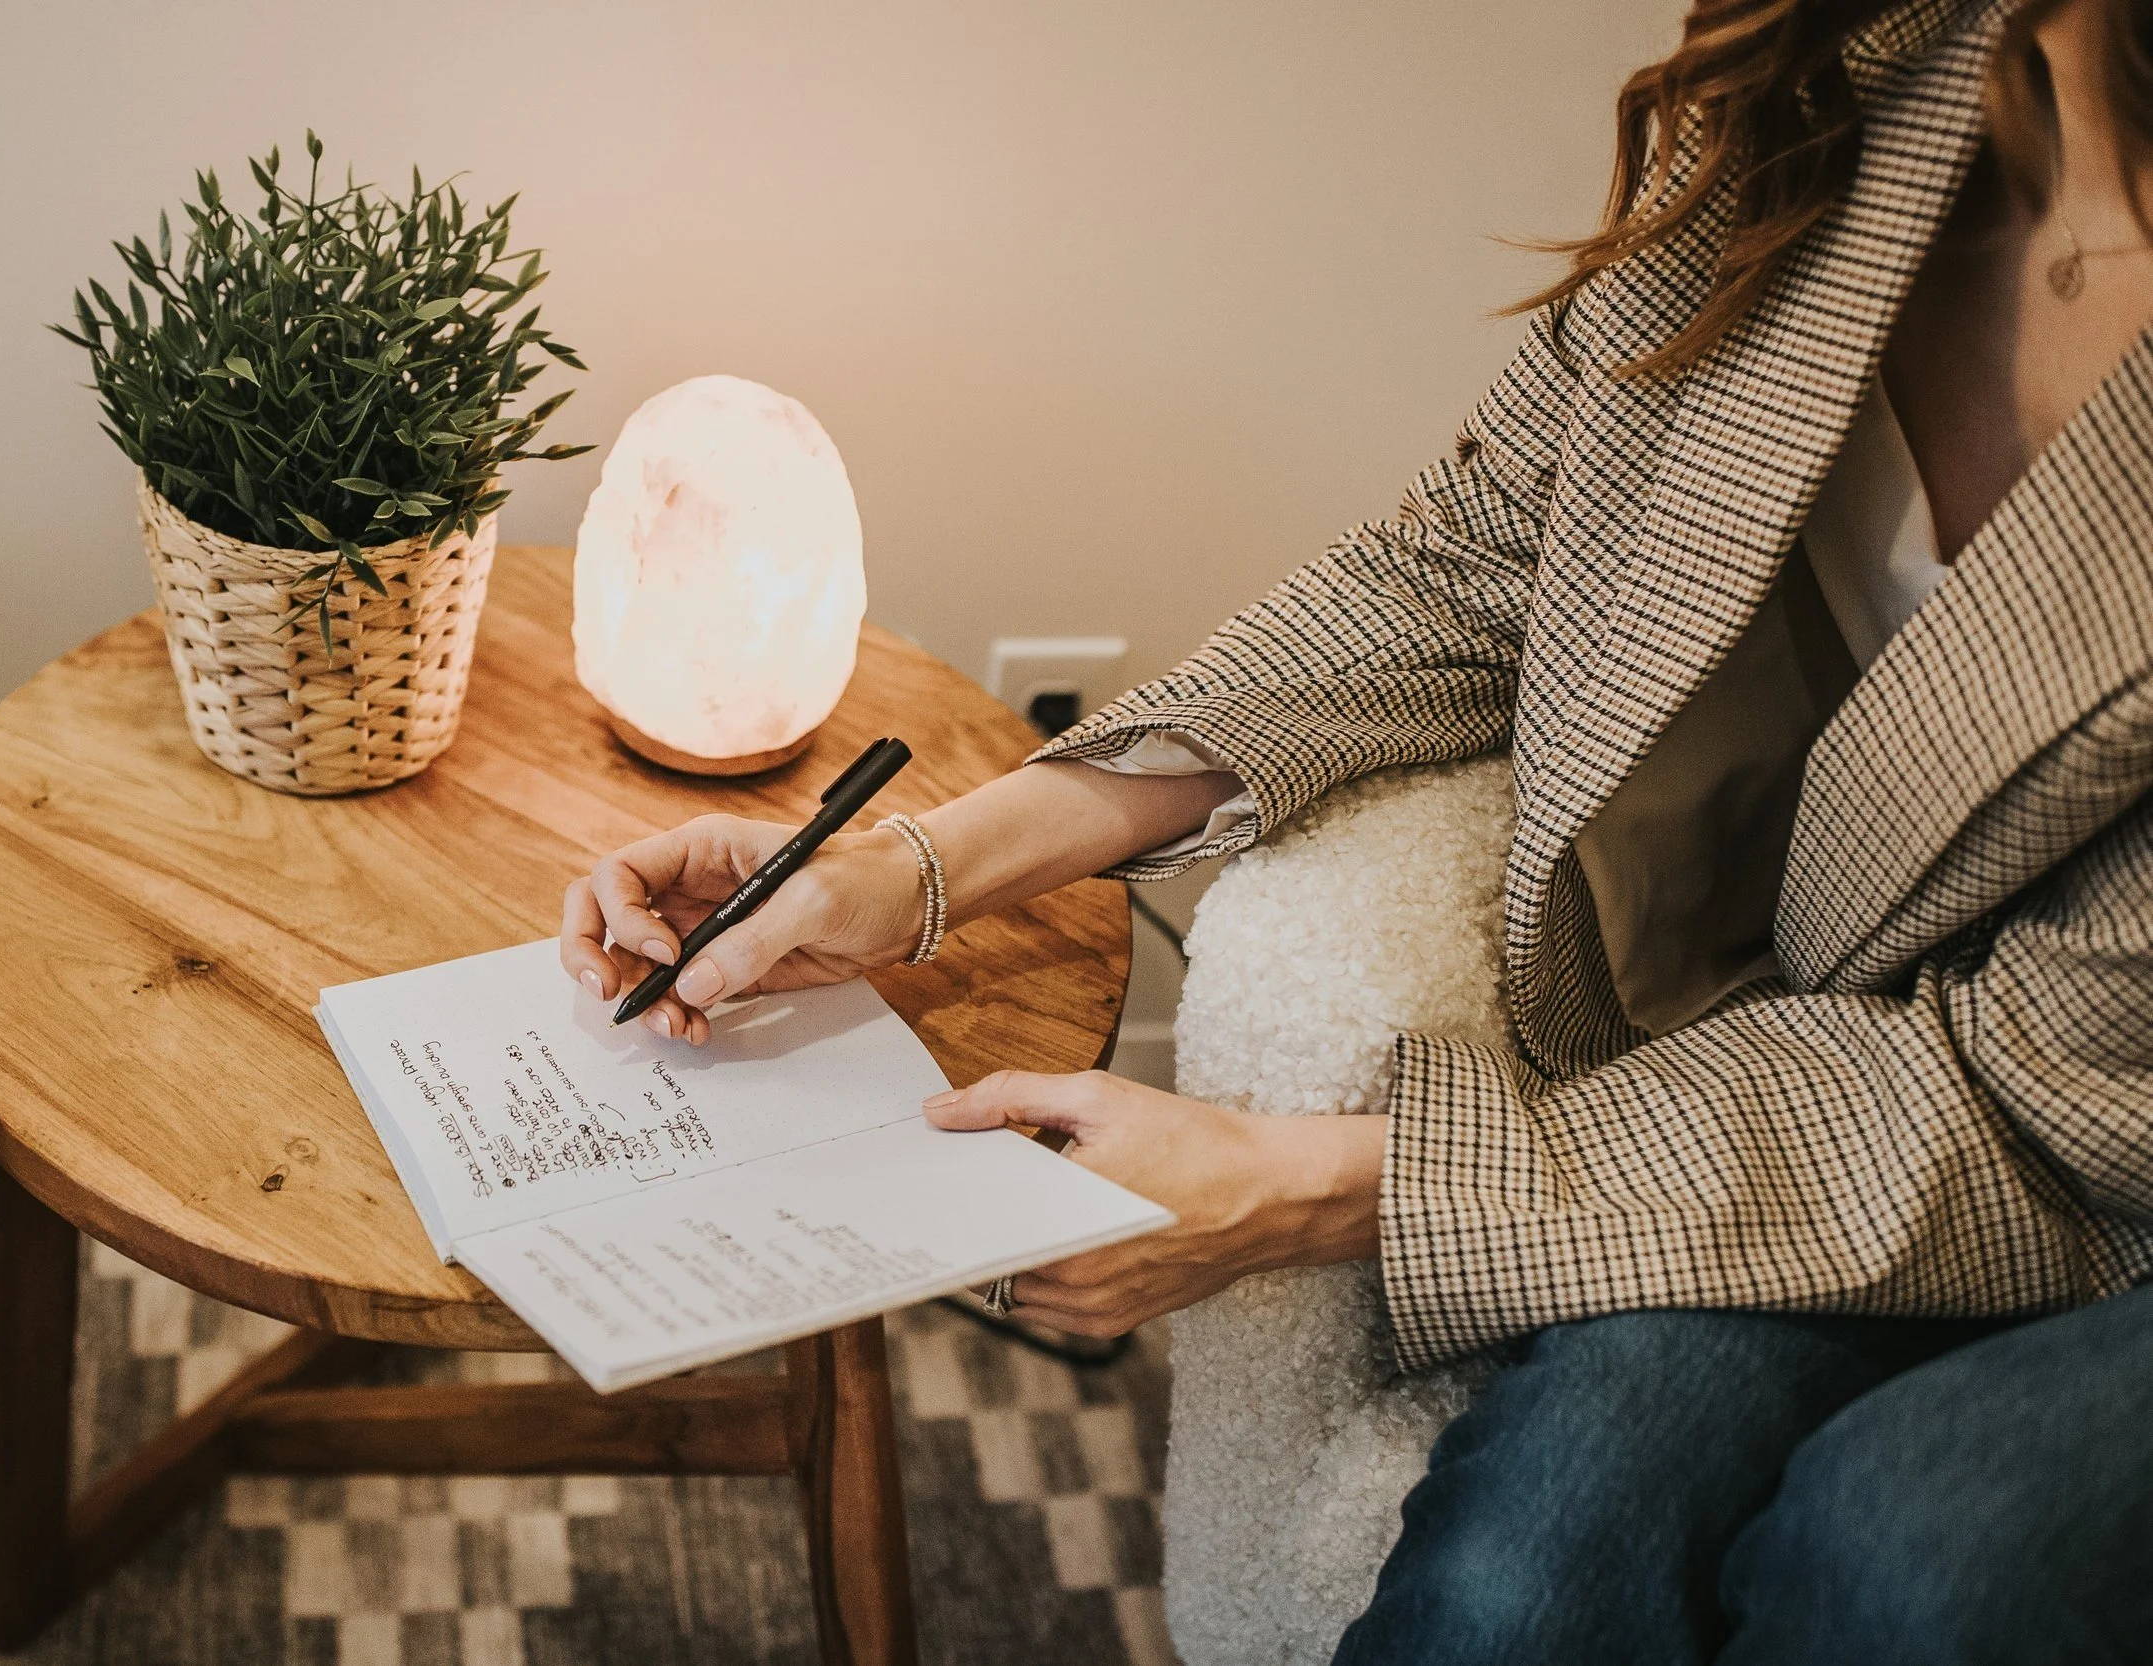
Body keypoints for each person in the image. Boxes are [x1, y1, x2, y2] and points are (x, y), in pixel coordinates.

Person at [560, 0, 2153, 1656]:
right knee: (1510, 1579)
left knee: (1901, 1551)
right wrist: (915, 868)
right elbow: (1469, 572)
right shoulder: (1847, 79)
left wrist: (1300, 1183)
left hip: (2092, 1167)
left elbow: (2037, 1095)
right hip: (1796, 1074)